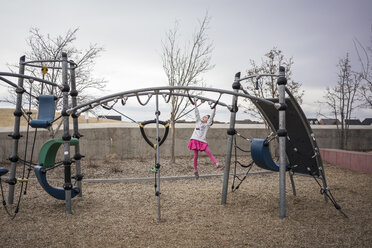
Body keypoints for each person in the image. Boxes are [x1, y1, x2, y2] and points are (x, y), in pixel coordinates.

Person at [187, 99, 224, 178]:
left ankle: (217, 164)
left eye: (206, 117)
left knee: (208, 152)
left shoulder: (207, 125)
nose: (204, 118)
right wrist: (196, 104)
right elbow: (197, 113)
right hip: (195, 140)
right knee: (195, 156)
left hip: (202, 141)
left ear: (208, 120)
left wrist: (214, 108)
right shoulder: (198, 122)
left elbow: (212, 117)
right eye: (204, 117)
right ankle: (195, 170)